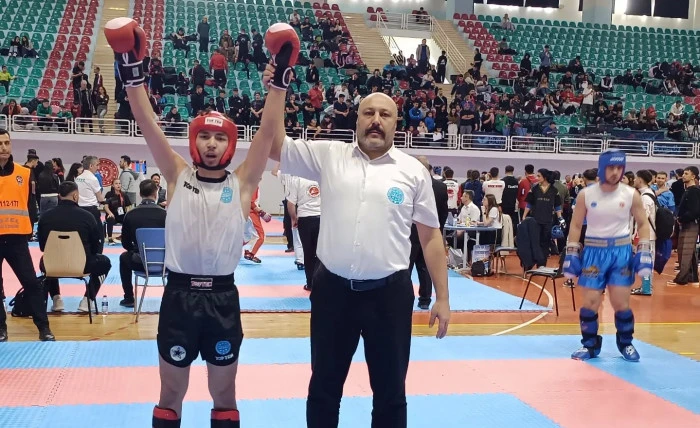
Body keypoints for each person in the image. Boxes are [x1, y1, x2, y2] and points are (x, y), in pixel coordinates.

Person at [105, 18, 298, 427]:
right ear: (194, 140)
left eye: (221, 137)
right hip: (178, 297)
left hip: (223, 299)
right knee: (170, 394)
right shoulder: (177, 174)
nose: (212, 144)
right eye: (205, 137)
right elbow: (146, 122)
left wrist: (279, 82)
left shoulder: (242, 183)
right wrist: (131, 70)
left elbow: (267, 133)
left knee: (224, 395)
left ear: (231, 143)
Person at [267, 54, 451, 426]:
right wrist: (277, 89)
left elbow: (431, 237)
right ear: (357, 119)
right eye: (368, 113)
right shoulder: (329, 155)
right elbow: (273, 146)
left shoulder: (413, 172)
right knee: (323, 389)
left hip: (390, 296)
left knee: (390, 394)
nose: (376, 120)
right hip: (333, 293)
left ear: (396, 123)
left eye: (385, 114)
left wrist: (443, 297)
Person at [563, 150, 652, 362]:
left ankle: (626, 343)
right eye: (611, 167)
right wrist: (571, 251)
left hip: (621, 252)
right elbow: (576, 225)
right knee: (590, 303)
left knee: (621, 304)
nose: (615, 172)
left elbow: (643, 223)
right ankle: (590, 344)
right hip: (594, 252)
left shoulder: (631, 194)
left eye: (619, 168)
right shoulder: (586, 194)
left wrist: (644, 249)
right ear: (602, 168)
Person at [0, 129, 54, 342]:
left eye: (7, 143)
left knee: (31, 283)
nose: (3, 147)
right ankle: (1, 329)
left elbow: (31, 205)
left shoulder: (24, 173)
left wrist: (29, 229)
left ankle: (44, 328)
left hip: (17, 238)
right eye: (0, 143)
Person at [37, 181, 113, 312]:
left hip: (52, 264)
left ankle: (56, 299)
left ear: (59, 196)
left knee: (44, 260)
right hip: (82, 264)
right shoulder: (87, 217)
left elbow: (43, 247)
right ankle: (87, 300)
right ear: (76, 196)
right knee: (105, 262)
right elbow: (96, 247)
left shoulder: (45, 217)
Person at [118, 179, 167, 307]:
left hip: (140, 262)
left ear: (140, 194)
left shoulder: (130, 215)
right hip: (165, 264)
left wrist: (136, 250)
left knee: (124, 258)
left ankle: (129, 298)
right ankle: (173, 299)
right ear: (156, 193)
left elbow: (125, 244)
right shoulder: (166, 214)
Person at [410, 155, 448, 310]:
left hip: (411, 233)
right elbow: (444, 212)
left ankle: (406, 297)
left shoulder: (411, 184)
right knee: (425, 267)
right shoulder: (440, 187)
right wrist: (437, 230)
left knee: (406, 267)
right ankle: (425, 299)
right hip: (431, 232)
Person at [286, 173, 321, 291]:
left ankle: (310, 284)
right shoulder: (321, 176)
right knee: (321, 253)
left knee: (308, 252)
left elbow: (291, 203)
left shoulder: (296, 179)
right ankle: (320, 283)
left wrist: (293, 218)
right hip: (321, 217)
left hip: (305, 218)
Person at [632, 170, 656, 296]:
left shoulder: (645, 197)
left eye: (636, 178)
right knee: (645, 261)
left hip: (647, 236)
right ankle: (645, 287)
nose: (634, 180)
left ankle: (646, 288)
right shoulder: (647, 194)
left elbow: (642, 219)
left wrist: (636, 236)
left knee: (645, 262)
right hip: (646, 235)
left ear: (640, 180)